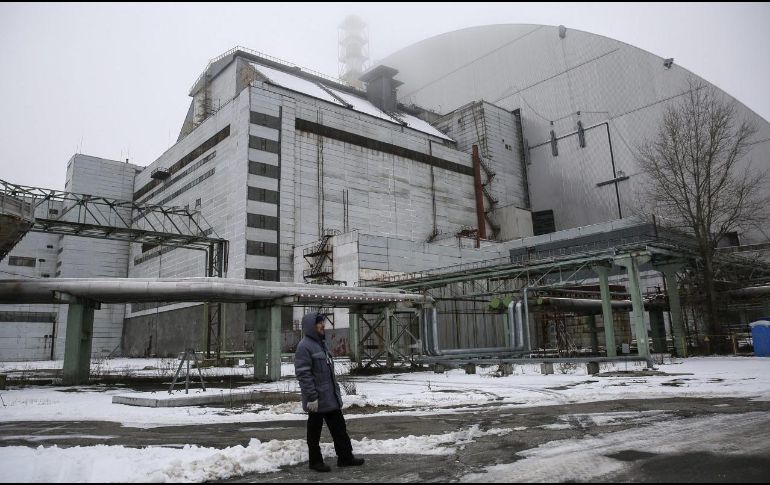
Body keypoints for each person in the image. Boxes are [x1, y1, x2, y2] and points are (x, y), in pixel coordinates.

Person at [295, 311, 365, 472]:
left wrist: (336, 393)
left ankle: (345, 458)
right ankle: (315, 462)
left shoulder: (322, 344)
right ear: (311, 326)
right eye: (320, 323)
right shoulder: (304, 346)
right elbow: (303, 374)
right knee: (314, 434)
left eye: (323, 323)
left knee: (340, 429)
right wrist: (312, 397)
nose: (323, 325)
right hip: (317, 400)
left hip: (330, 397)